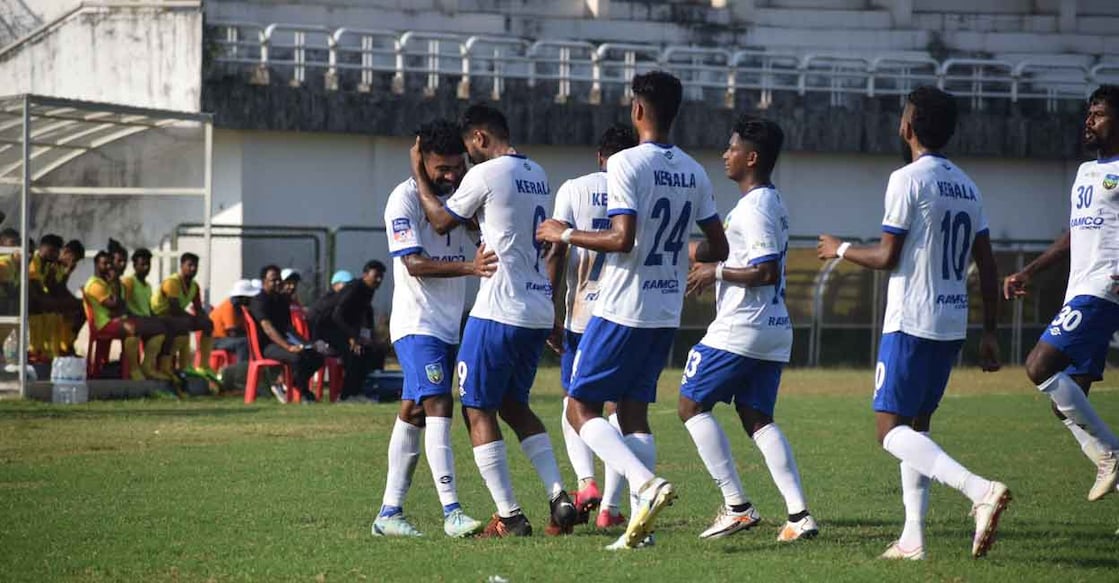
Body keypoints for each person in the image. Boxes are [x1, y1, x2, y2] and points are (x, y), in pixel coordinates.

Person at [537, 70, 729, 550]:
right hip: (665, 310)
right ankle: (635, 525)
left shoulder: (625, 163)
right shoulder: (694, 170)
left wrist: (561, 233)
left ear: (638, 109)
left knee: (579, 407)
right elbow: (719, 245)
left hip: (621, 307)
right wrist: (676, 252)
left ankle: (645, 485)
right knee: (634, 414)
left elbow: (620, 239)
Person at [816, 86, 1009, 560]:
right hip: (951, 321)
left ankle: (979, 490)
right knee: (916, 431)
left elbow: (886, 255)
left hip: (912, 320)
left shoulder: (907, 178)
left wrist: (838, 249)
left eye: (904, 113)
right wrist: (989, 332)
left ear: (910, 124)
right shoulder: (968, 185)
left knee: (889, 431)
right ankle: (912, 538)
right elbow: (987, 265)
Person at [411, 106, 577, 538]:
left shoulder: (486, 174)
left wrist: (417, 173)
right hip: (538, 307)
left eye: (469, 149)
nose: (465, 161)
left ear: (481, 138)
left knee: (477, 408)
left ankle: (509, 514)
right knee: (514, 405)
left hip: (498, 310)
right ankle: (559, 496)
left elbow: (441, 219)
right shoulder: (537, 171)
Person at [678, 115, 818, 542]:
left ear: (751, 157)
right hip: (773, 329)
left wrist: (715, 272)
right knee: (757, 417)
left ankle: (736, 505)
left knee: (689, 406)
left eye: (732, 147)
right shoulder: (771, 201)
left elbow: (765, 271)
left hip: (744, 327)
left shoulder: (755, 208)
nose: (726, 154)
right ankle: (798, 515)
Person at [372, 119, 503, 538]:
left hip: (448, 326)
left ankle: (388, 514)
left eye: (455, 167)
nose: (450, 176)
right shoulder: (403, 199)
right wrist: (470, 267)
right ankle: (453, 512)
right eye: (440, 169)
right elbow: (413, 264)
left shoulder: (458, 197)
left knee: (411, 412)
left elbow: (476, 228)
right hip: (417, 324)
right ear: (421, 162)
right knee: (438, 406)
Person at [1003, 85, 1119, 502]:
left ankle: (1110, 455)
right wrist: (1030, 270)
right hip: (1080, 291)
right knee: (1066, 401)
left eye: (1100, 114)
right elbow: (1076, 234)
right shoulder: (1086, 173)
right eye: (1088, 113)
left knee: (1039, 365)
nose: (1089, 120)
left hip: (1103, 289)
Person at [547, 123, 638, 529]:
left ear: (600, 156)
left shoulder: (574, 188)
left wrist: (550, 309)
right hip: (623, 315)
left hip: (581, 316)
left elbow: (555, 252)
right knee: (619, 408)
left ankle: (587, 483)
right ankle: (611, 509)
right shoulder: (640, 187)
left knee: (575, 403)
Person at [310, 260, 387, 401]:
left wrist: (369, 337)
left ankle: (365, 390)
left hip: (341, 329)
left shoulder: (368, 291)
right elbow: (337, 315)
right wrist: (352, 337)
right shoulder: (355, 289)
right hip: (326, 329)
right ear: (365, 275)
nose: (379, 280)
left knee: (374, 350)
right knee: (355, 352)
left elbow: (364, 318)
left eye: (381, 277)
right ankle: (347, 395)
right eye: (376, 276)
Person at [82, 252, 165, 381]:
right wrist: (117, 305)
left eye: (110, 263)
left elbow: (121, 306)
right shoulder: (95, 284)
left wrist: (118, 306)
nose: (109, 267)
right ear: (96, 265)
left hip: (114, 320)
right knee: (133, 328)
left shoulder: (108, 283)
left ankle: (147, 367)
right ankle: (134, 370)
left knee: (158, 330)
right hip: (103, 324)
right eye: (105, 264)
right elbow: (114, 305)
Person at [249, 264, 324, 402]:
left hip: (283, 342)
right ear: (263, 282)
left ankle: (289, 384)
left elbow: (288, 328)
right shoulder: (259, 301)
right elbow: (268, 328)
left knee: (317, 356)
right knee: (297, 357)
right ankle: (301, 392)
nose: (278, 283)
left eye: (279, 279)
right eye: (273, 280)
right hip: (266, 346)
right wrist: (288, 347)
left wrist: (306, 343)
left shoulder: (282, 300)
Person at [152, 252, 218, 381]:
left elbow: (198, 308)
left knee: (208, 324)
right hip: (157, 316)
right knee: (183, 325)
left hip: (175, 318)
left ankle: (203, 366)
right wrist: (192, 319)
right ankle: (166, 366)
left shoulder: (194, 286)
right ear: (182, 266)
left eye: (195, 266)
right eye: (190, 265)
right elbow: (174, 308)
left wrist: (204, 319)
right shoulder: (172, 282)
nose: (193, 269)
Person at [119, 247, 172, 381]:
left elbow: (148, 307)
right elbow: (123, 304)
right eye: (142, 264)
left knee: (164, 330)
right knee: (152, 329)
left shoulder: (148, 286)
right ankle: (134, 369)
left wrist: (156, 318)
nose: (146, 267)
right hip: (134, 319)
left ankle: (148, 366)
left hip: (145, 320)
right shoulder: (129, 282)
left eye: (148, 264)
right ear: (135, 265)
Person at [27, 234, 63, 361]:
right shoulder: (33, 262)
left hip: (36, 301)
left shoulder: (48, 266)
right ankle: (35, 351)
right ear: (41, 248)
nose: (55, 254)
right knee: (50, 310)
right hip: (28, 302)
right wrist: (52, 303)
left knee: (56, 314)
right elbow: (34, 289)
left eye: (57, 251)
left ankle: (49, 352)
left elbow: (52, 288)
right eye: (52, 250)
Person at [209, 279, 259, 364]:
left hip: (224, 338)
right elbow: (232, 332)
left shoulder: (240, 308)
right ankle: (241, 371)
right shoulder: (230, 307)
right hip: (215, 340)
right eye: (249, 297)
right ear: (243, 297)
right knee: (243, 343)